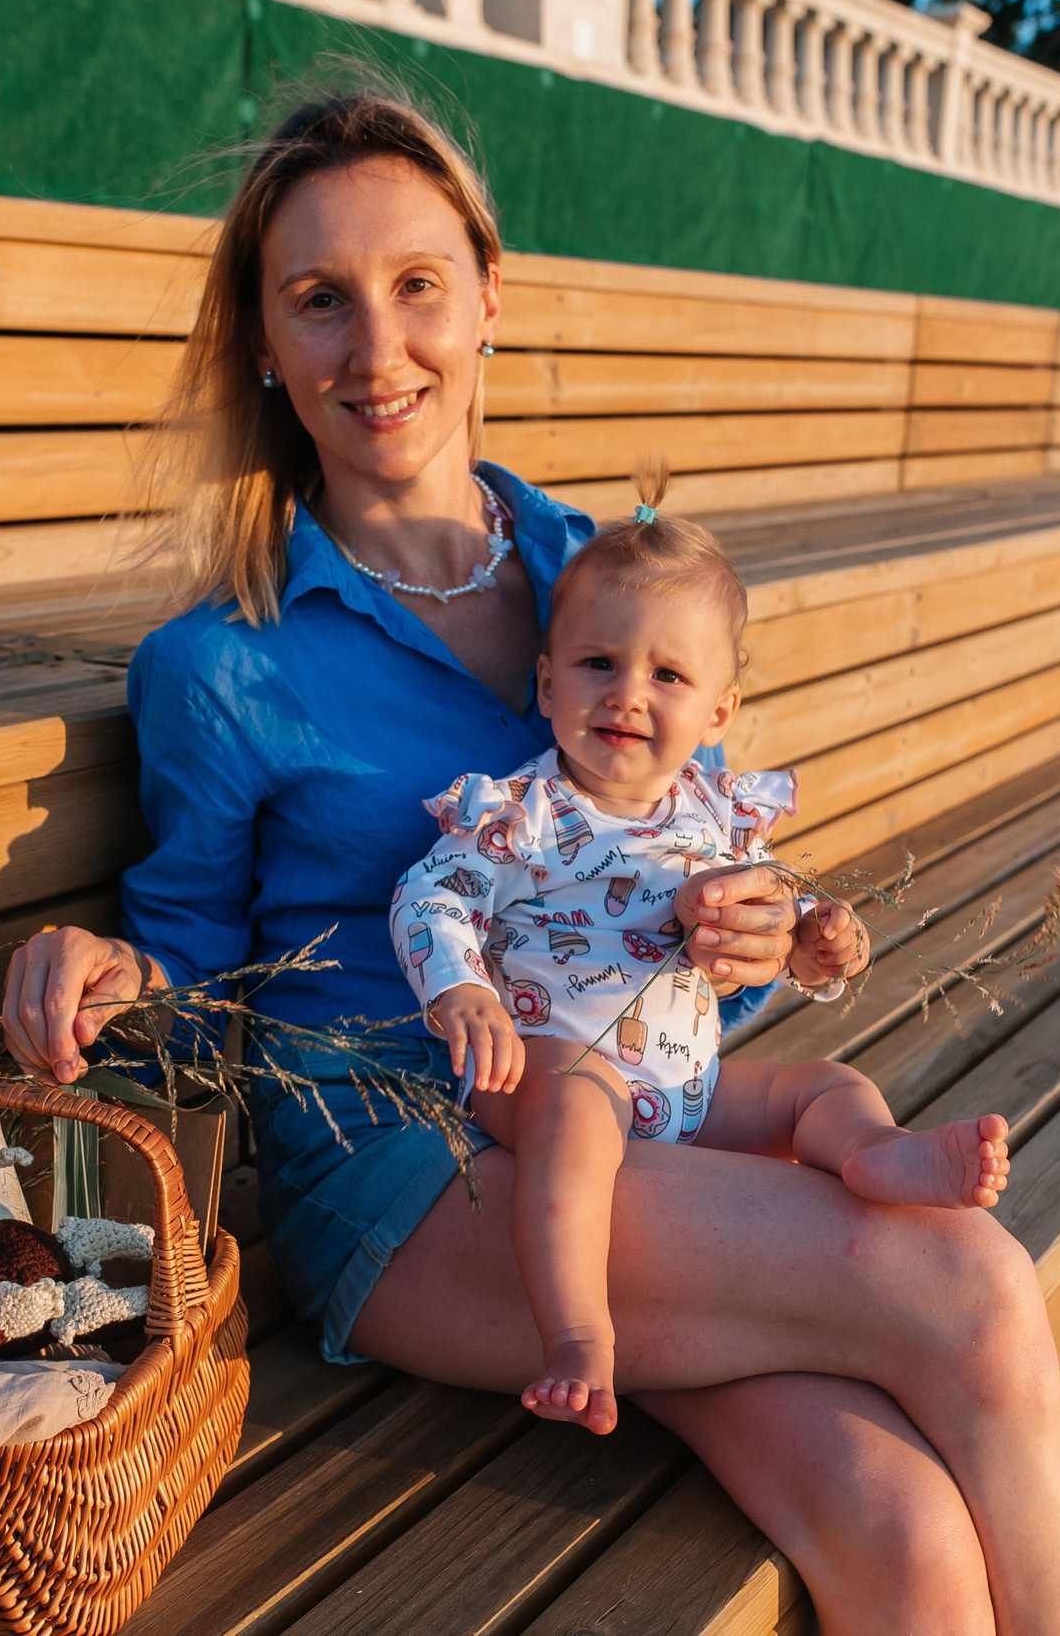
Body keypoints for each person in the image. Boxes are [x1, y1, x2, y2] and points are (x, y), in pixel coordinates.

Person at [0, 85, 1060, 1634]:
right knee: (973, 1284)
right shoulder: (226, 661)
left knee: (907, 1536)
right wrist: (104, 972)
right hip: (414, 1171)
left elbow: (691, 843)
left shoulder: (600, 572)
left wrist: (749, 927)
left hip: (640, 1118)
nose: (376, 350)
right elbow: (192, 977)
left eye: (415, 287)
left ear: (488, 301)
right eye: (318, 301)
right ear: (262, 341)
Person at [389, 511, 1010, 1438]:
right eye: (598, 665)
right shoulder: (524, 815)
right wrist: (462, 989)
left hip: (688, 1087)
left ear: (718, 711)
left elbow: (773, 926)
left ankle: (877, 1151)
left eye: (668, 675)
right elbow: (428, 897)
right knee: (571, 1118)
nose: (628, 695)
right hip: (553, 1068)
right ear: (549, 683)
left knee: (821, 1085)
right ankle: (577, 1333)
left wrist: (815, 941)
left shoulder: (717, 818)